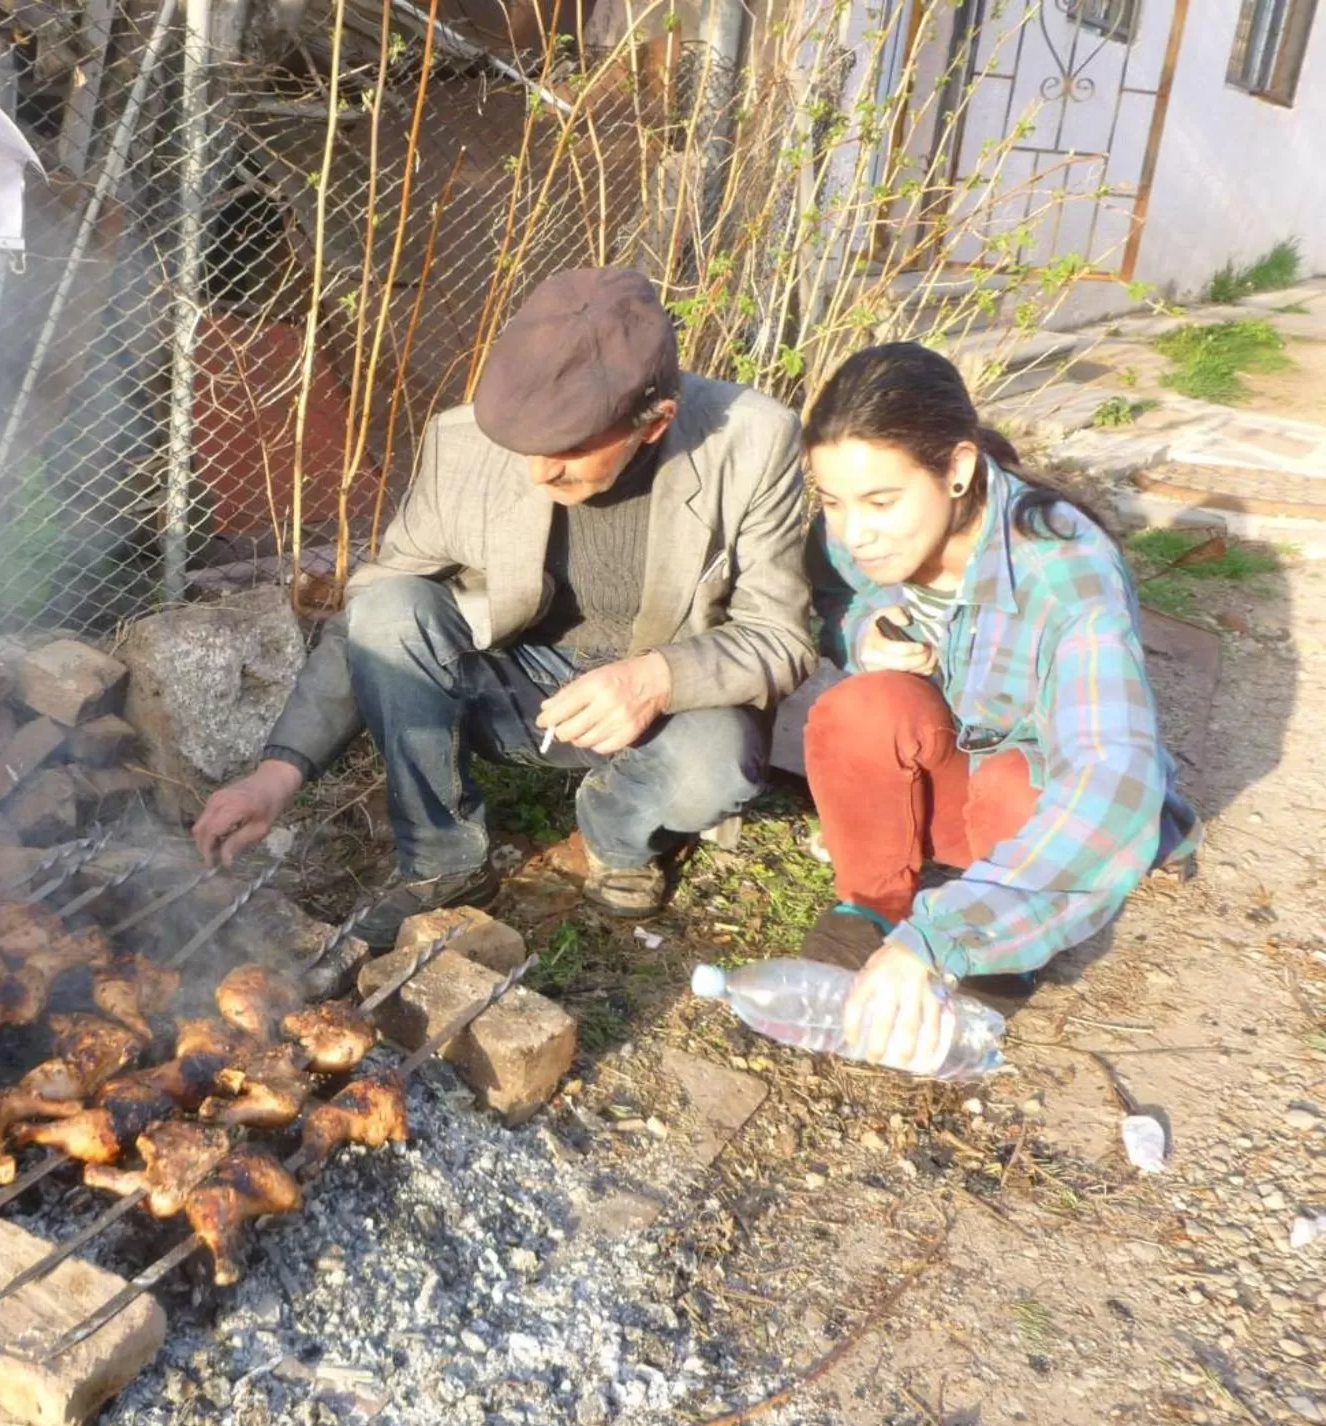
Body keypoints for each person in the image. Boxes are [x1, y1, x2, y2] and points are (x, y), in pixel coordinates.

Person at [192, 266, 816, 948]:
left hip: (664, 703)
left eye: (569, 454)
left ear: (653, 422)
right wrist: (277, 775)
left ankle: (615, 831)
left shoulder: (752, 442)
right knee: (391, 608)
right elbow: (370, 619)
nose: (537, 474)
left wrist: (653, 677)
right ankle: (442, 861)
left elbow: (778, 635)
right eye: (526, 449)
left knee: (715, 763)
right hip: (511, 687)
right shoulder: (467, 442)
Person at [799, 341, 1200, 1074]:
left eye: (881, 502)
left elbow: (1114, 779)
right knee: (858, 709)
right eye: (833, 501)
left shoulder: (1064, 570)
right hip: (950, 779)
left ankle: (988, 943)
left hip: (1024, 812)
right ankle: (873, 905)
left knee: (1020, 778)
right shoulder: (857, 530)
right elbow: (837, 596)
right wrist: (865, 634)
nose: (855, 532)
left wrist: (943, 940)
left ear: (957, 469)